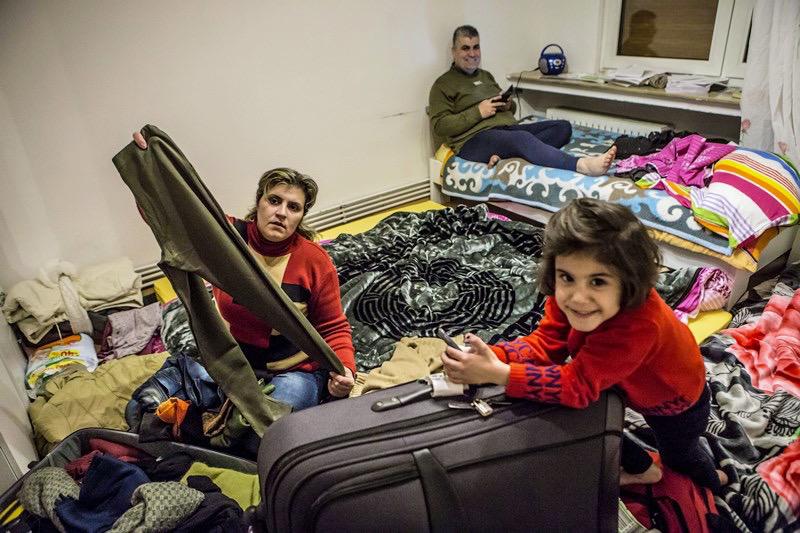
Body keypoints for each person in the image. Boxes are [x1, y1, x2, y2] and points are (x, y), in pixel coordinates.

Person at [440, 197, 727, 491]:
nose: (577, 297)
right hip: (620, 380)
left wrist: (497, 373)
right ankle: (643, 470)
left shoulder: (640, 324)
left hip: (675, 402)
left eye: (598, 282)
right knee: (586, 415)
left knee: (681, 455)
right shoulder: (565, 296)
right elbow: (546, 343)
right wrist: (494, 356)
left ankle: (714, 481)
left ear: (630, 280)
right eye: (567, 277)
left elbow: (576, 385)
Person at [132, 132, 356, 410]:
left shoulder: (314, 261)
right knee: (143, 405)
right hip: (232, 364)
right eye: (274, 201)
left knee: (274, 419)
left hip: (293, 373)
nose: (282, 212)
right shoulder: (226, 238)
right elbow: (173, 218)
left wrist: (345, 371)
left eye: (293, 207)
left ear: (301, 217)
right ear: (259, 202)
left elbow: (333, 326)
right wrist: (148, 166)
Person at [428, 25, 616, 175]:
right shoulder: (443, 84)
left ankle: (511, 154)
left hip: (506, 131)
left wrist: (508, 105)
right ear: (454, 51)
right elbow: (440, 126)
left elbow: (507, 110)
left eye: (476, 47)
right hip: (473, 140)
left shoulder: (486, 76)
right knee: (521, 139)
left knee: (562, 127)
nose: (472, 53)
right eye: (465, 48)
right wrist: (478, 112)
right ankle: (582, 165)